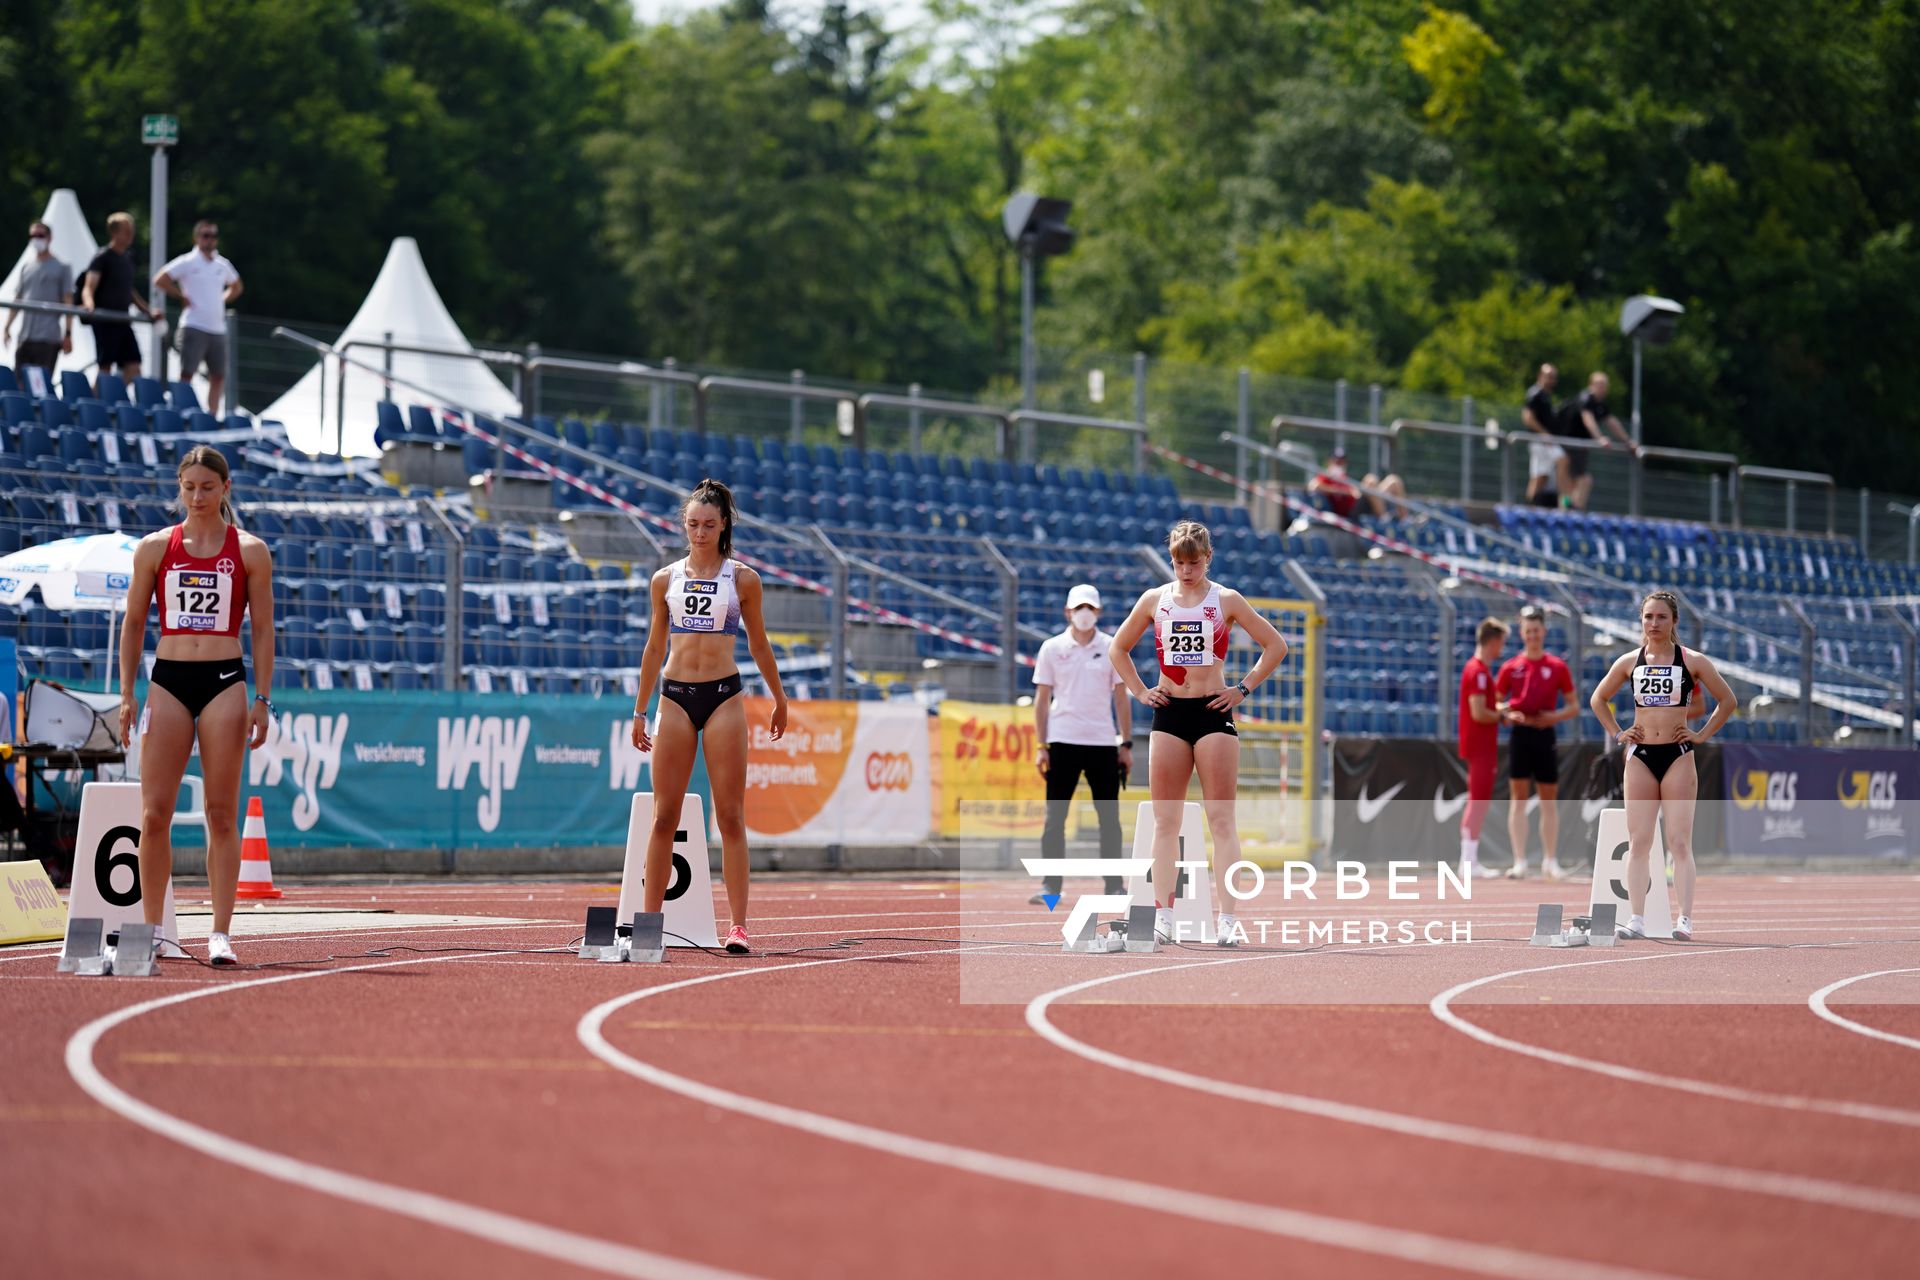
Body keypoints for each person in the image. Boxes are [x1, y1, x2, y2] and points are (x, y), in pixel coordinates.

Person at [117, 445, 275, 966]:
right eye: (189, 487)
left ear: (225, 489)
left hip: (225, 680)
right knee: (154, 813)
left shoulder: (250, 551)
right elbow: (134, 622)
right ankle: (150, 932)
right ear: (179, 488)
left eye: (208, 487)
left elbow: (265, 628)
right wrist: (125, 693)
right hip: (168, 680)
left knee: (221, 813)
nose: (198, 496)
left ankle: (220, 932)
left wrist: (262, 699)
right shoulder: (155, 548)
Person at [1110, 521, 1289, 946]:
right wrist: (1139, 690)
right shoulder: (1155, 599)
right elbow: (1118, 647)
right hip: (1170, 713)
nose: (1185, 570)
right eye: (1178, 562)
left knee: (1222, 820)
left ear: (1208, 558)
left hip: (1213, 713)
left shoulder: (1225, 599)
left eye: (1193, 562)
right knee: (1165, 822)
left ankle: (1228, 919)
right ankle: (1163, 917)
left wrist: (1241, 689)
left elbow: (1276, 645)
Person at [631, 479, 787, 954]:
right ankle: (649, 924)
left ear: (724, 527)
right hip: (675, 697)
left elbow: (759, 642)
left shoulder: (743, 580)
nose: (700, 533)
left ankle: (738, 925)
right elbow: (655, 647)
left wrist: (780, 698)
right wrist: (640, 710)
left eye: (709, 525)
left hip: (723, 697)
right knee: (664, 817)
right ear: (684, 524)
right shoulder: (665, 579)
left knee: (732, 816)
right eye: (693, 524)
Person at [1589, 590, 1738, 941]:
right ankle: (1636, 918)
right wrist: (1617, 732)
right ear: (1641, 621)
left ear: (1674, 622)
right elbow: (1598, 698)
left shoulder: (1692, 661)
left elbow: (1728, 700)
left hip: (1678, 756)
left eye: (1661, 617)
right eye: (1648, 617)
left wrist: (1701, 734)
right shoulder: (1629, 661)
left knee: (1679, 842)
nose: (1654, 624)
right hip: (1641, 756)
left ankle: (1685, 919)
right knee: (1638, 841)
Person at [1029, 583, 1133, 906]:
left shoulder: (1112, 647)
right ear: (1068, 612)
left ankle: (1114, 886)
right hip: (1062, 741)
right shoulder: (1051, 648)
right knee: (1054, 818)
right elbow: (1042, 699)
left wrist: (1125, 743)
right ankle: (1051, 886)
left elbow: (1121, 698)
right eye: (1078, 608)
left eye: (1089, 607)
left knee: (1109, 819)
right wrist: (1041, 745)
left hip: (1103, 742)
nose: (1084, 613)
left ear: (1098, 611)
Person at [1496, 606, 1577, 879]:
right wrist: (1508, 711)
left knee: (1548, 800)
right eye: (1528, 631)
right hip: (1520, 735)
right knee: (1518, 798)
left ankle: (1549, 860)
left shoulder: (1557, 666)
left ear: (1543, 631)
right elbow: (1495, 701)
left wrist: (1553, 717)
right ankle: (1519, 860)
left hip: (1546, 734)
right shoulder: (1511, 667)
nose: (1532, 635)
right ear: (1522, 633)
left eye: (1536, 630)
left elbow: (1573, 706)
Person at [154, 220, 243, 412]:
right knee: (187, 374)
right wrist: (180, 296)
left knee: (218, 376)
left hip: (217, 328)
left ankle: (211, 416)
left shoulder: (222, 264)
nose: (210, 240)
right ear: (197, 238)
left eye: (213, 236)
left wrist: (221, 300)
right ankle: (182, 412)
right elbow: (160, 279)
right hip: (193, 326)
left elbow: (237, 286)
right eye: (206, 235)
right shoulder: (187, 261)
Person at [1457, 617, 1508, 880]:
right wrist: (1500, 715)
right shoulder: (1477, 671)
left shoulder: (1478, 670)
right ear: (1492, 641)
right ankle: (1468, 861)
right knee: (1478, 801)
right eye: (1501, 642)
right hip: (1480, 744)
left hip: (1480, 743)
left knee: (1478, 800)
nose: (1502, 649)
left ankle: (1469, 860)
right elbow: (1478, 712)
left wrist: (1501, 710)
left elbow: (1482, 708)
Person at [82, 212, 158, 381]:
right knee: (105, 368)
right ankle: (98, 403)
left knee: (133, 366)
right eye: (126, 230)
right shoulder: (102, 257)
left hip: (123, 320)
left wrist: (147, 310)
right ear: (114, 232)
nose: (131, 234)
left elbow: (129, 290)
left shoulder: (128, 258)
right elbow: (89, 287)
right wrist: (89, 304)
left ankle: (113, 397)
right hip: (106, 320)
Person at [5, 220, 74, 386]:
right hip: (25, 337)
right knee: (19, 386)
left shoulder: (62, 267)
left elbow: (68, 302)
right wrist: (7, 327)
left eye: (40, 235)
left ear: (50, 237)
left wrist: (68, 334)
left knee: (39, 387)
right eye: (33, 235)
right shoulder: (26, 267)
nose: (36, 239)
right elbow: (18, 300)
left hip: (47, 339)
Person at [1554, 371, 1632, 511]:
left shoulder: (1600, 403)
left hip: (1578, 445)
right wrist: (1599, 438)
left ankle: (1567, 510)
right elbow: (1587, 419)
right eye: (1599, 385)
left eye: (1604, 385)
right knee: (1583, 480)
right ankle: (1573, 512)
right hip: (1569, 444)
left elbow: (1611, 421)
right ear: (1591, 385)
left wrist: (1627, 440)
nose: (1602, 388)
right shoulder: (1586, 399)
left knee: (1572, 483)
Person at [1308, 447, 1406, 520]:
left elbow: (1354, 492)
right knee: (1370, 480)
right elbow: (1313, 486)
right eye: (1337, 461)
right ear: (1330, 462)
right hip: (1351, 511)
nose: (1340, 464)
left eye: (1342, 462)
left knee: (1394, 481)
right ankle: (1383, 519)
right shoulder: (1326, 477)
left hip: (1360, 500)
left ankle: (1404, 520)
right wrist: (1338, 490)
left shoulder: (1344, 478)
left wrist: (1353, 491)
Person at [1520, 363, 1563, 508]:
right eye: (1548, 376)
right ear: (1540, 376)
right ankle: (1566, 501)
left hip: (1543, 441)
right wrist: (1544, 433)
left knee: (1540, 476)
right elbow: (1527, 417)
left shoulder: (1546, 396)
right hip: (1540, 441)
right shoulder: (1535, 393)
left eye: (1553, 377)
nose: (1550, 380)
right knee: (1563, 460)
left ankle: (1530, 507)